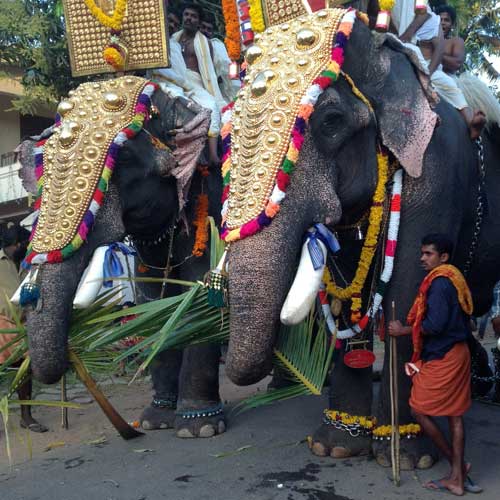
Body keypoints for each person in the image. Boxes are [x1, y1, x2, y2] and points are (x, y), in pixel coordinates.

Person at [388, 233, 481, 496]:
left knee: (418, 409)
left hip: (445, 356)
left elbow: (435, 325)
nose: (422, 258)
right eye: (422, 253)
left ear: (443, 257)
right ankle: (458, 478)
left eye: (428, 254)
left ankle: (457, 469)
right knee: (455, 416)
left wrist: (402, 330)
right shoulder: (454, 278)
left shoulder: (440, 283)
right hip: (459, 351)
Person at [390, 1, 485, 139]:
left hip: (443, 75)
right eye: (441, 19)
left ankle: (470, 120)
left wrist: (436, 49)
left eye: (447, 20)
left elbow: (456, 63)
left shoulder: (455, 41)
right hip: (424, 67)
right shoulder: (425, 30)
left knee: (449, 84)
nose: (443, 22)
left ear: (452, 24)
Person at [0, 223, 48, 433]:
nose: (24, 247)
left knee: (25, 370)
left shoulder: (29, 263)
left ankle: (26, 417)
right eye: (21, 244)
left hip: (24, 324)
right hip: (1, 323)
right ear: (13, 245)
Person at [171, 3, 227, 165]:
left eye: (193, 16)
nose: (189, 18)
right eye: (187, 14)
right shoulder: (173, 39)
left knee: (212, 107)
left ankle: (212, 155)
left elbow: (209, 71)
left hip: (195, 83)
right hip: (175, 80)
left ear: (198, 22)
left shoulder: (204, 43)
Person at [200, 16, 239, 103]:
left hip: (223, 88)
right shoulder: (193, 45)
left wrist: (236, 85)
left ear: (212, 33)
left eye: (209, 29)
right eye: (203, 27)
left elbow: (230, 65)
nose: (205, 31)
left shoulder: (217, 44)